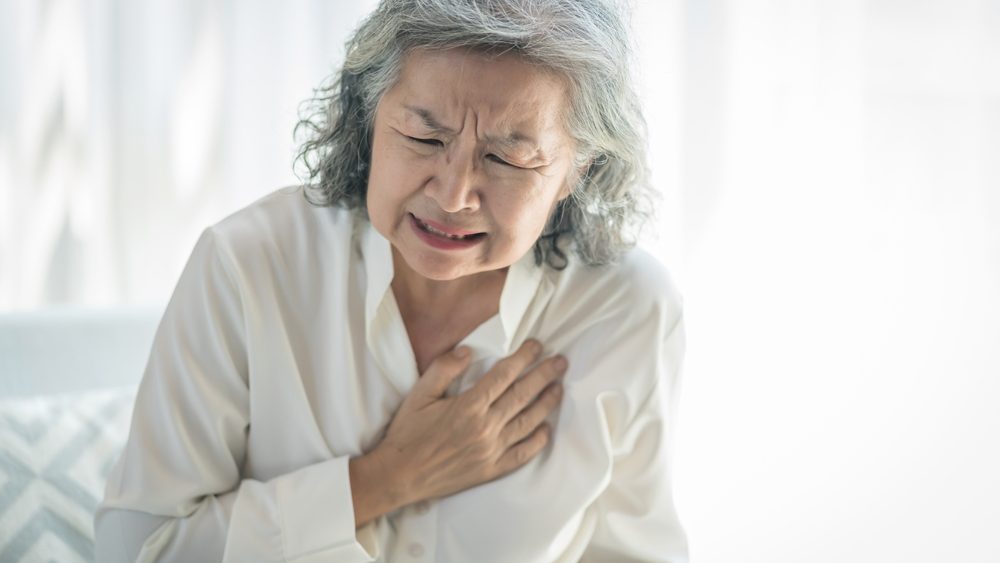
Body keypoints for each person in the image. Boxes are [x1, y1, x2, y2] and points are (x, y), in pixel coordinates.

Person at [94, 0, 688, 561]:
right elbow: (137, 548)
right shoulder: (249, 264)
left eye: (506, 160)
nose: (452, 195)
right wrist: (385, 479)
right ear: (369, 117)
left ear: (575, 170)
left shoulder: (629, 310)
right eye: (424, 138)